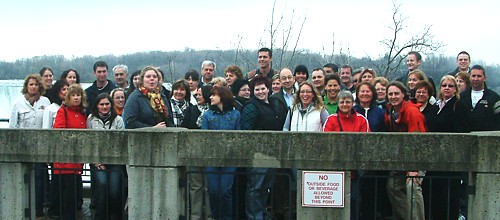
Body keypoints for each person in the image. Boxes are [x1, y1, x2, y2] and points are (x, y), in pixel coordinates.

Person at [241, 75, 287, 219]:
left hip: (272, 154)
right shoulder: (251, 107)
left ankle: (262, 214)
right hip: (257, 155)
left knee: (265, 188)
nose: (260, 92)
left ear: (268, 89)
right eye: (257, 89)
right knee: (255, 188)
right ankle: (254, 216)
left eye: (263, 88)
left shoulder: (274, 104)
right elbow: (245, 131)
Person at [323, 91, 369, 220]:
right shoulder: (331, 119)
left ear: (353, 103)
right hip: (335, 169)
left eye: (348, 101)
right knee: (335, 203)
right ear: (338, 103)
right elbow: (327, 143)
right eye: (342, 101)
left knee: (354, 201)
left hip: (354, 169)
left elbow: (364, 143)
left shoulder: (361, 120)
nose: (345, 104)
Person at [10, 74, 51, 217]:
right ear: (26, 86)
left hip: (40, 147)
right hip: (23, 147)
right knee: (23, 178)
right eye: (31, 84)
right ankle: (23, 206)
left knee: (39, 178)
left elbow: (47, 124)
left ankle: (38, 208)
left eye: (36, 85)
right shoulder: (18, 102)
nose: (34, 87)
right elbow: (13, 126)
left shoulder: (45, 101)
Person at [384, 81, 426, 220]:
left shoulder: (412, 112)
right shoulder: (390, 111)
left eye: (396, 93)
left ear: (403, 94)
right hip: (401, 158)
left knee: (412, 186)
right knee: (393, 186)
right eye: (390, 94)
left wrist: (414, 168)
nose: (393, 96)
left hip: (417, 158)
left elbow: (418, 140)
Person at [202, 86, 240, 220]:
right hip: (212, 158)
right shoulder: (207, 115)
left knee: (225, 191)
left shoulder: (235, 115)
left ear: (222, 96)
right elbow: (204, 136)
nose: (211, 97)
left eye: (214, 95)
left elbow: (239, 136)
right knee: (213, 191)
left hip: (230, 158)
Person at [87, 93, 126, 220]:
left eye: (107, 104)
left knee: (114, 190)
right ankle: (100, 216)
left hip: (115, 161)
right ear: (97, 106)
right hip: (98, 161)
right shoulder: (91, 119)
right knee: (102, 186)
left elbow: (121, 141)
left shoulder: (118, 120)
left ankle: (115, 216)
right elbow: (90, 142)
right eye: (101, 104)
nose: (104, 107)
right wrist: (97, 162)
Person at [52, 84, 87, 220]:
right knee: (67, 192)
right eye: (73, 95)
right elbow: (59, 131)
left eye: (78, 95)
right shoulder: (63, 111)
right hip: (65, 159)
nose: (76, 97)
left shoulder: (82, 112)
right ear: (68, 97)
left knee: (73, 191)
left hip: (77, 159)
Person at [181, 84, 213, 220]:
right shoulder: (191, 110)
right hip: (193, 152)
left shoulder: (214, 111)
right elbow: (185, 128)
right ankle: (195, 216)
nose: (197, 96)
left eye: (200, 94)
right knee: (195, 186)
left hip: (210, 154)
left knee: (209, 187)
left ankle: (210, 216)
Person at [460, 65, 500, 131]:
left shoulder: (494, 97)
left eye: (479, 76)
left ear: (485, 78)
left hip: (486, 138)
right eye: (473, 76)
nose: (476, 79)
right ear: (469, 77)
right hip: (464, 138)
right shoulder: (461, 97)